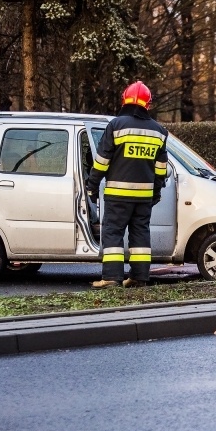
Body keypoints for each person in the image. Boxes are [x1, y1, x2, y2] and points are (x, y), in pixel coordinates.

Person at [85, 81, 169, 288]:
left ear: (125, 99)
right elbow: (161, 168)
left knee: (113, 233)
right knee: (140, 234)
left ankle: (112, 278)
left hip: (117, 194)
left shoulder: (116, 125)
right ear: (147, 104)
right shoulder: (159, 131)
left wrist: (92, 186)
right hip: (144, 196)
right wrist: (156, 192)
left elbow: (102, 160)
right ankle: (139, 278)